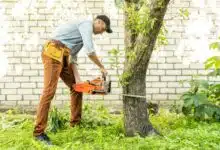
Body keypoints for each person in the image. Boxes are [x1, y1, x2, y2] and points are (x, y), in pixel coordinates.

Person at [33, 15, 113, 144]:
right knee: (49, 92)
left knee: (76, 88)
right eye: (104, 28)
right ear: (99, 22)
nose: (103, 32)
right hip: (53, 51)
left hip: (64, 55)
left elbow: (73, 58)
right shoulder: (86, 24)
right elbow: (90, 51)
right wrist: (102, 67)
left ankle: (75, 124)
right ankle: (38, 133)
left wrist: (78, 81)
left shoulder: (81, 34)